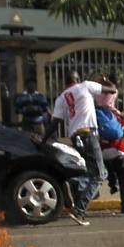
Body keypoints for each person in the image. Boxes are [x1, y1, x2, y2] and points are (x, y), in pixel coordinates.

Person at [50, 74, 104, 226]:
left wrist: (43, 139)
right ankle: (79, 210)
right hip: (89, 134)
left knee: (88, 172)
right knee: (99, 175)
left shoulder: (61, 98)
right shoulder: (85, 86)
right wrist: (105, 82)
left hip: (75, 136)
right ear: (78, 78)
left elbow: (55, 123)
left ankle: (70, 183)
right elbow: (111, 90)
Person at [96, 80, 124, 214]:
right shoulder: (115, 114)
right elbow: (121, 131)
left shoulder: (95, 114)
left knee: (103, 168)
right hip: (118, 150)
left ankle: (111, 182)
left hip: (103, 150)